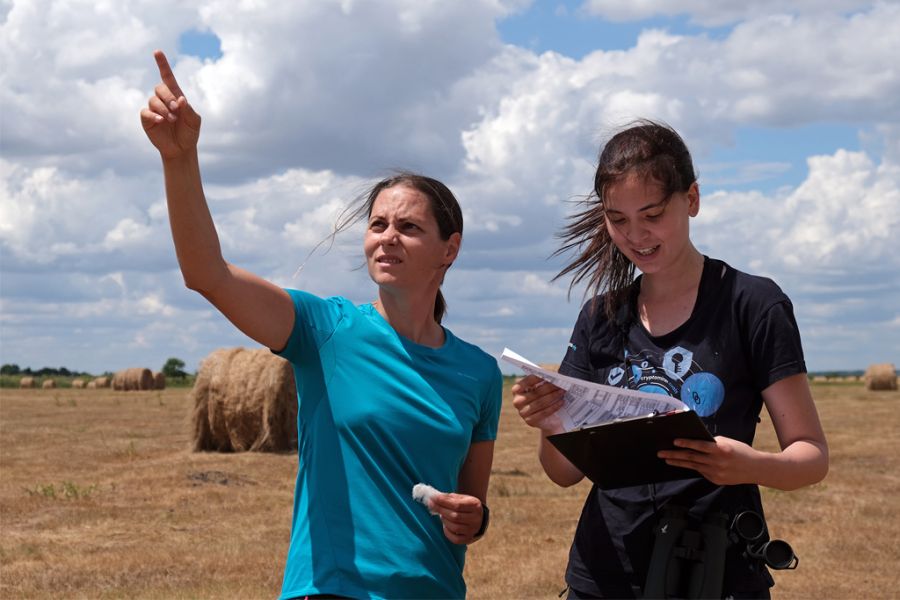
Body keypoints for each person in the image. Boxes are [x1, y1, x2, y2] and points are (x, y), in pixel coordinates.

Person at [140, 50, 502, 600]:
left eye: (408, 227)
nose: (387, 236)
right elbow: (207, 273)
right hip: (330, 590)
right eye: (377, 224)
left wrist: (473, 518)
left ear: (448, 249)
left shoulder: (478, 373)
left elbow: (472, 509)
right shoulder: (325, 330)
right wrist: (179, 159)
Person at [511, 120, 828, 599]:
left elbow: (811, 456)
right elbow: (563, 474)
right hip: (603, 575)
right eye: (618, 219)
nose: (636, 235)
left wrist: (750, 466)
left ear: (692, 199)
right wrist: (550, 421)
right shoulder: (599, 316)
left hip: (715, 572)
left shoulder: (753, 305)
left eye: (652, 215)